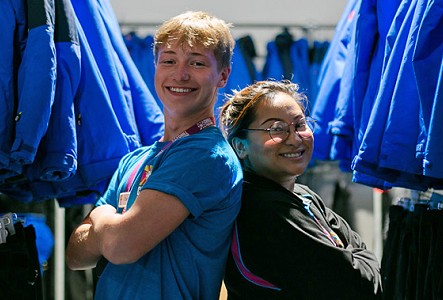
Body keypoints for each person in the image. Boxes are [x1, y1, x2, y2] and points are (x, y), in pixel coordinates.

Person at [65, 11, 243, 299]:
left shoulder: (206, 155)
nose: (180, 74)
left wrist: (100, 215)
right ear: (156, 67)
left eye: (197, 62)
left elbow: (122, 247)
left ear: (223, 75)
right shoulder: (133, 160)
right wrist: (111, 229)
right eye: (169, 60)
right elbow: (75, 257)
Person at [219, 79, 382, 299]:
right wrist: (360, 258)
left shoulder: (302, 194)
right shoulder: (262, 208)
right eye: (276, 129)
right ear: (240, 146)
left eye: (300, 125)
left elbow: (359, 263)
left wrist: (361, 260)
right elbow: (358, 285)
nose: (295, 139)